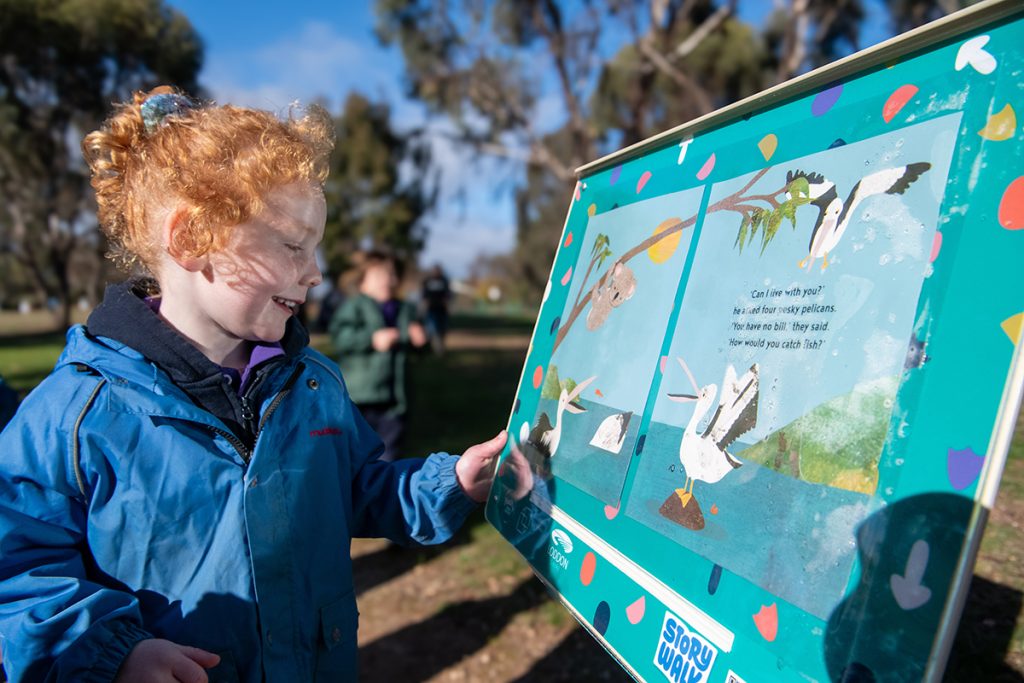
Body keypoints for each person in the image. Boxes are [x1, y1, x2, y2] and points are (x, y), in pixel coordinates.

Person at [0, 87, 506, 683]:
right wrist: (116, 654)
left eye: (314, 249)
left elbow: (359, 487)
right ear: (191, 241)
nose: (315, 274)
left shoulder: (313, 384)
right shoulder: (73, 414)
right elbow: (18, 574)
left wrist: (453, 481)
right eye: (294, 245)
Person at [329, 252, 427, 462]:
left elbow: (420, 352)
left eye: (393, 275)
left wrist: (420, 341)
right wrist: (371, 339)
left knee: (389, 455)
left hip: (395, 398)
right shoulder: (354, 306)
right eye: (381, 276)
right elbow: (341, 338)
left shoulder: (405, 309)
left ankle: (383, 492)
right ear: (363, 280)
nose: (389, 281)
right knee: (355, 455)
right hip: (360, 398)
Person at [420, 264, 452, 355]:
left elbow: (448, 295)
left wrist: (447, 305)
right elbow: (424, 296)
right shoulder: (427, 281)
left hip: (442, 310)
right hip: (431, 310)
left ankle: (440, 349)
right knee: (430, 330)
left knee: (442, 330)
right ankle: (429, 348)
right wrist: (424, 307)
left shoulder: (444, 281)